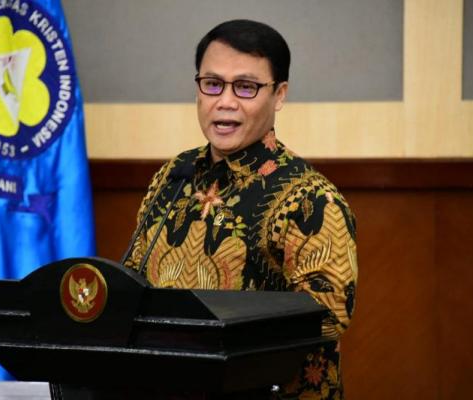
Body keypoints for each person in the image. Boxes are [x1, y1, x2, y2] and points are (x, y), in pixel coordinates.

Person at [124, 19, 358, 399]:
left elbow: (329, 316)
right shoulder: (174, 174)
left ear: (279, 95)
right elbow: (135, 276)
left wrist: (213, 334)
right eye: (213, 84)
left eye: (246, 87)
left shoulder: (310, 199)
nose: (225, 102)